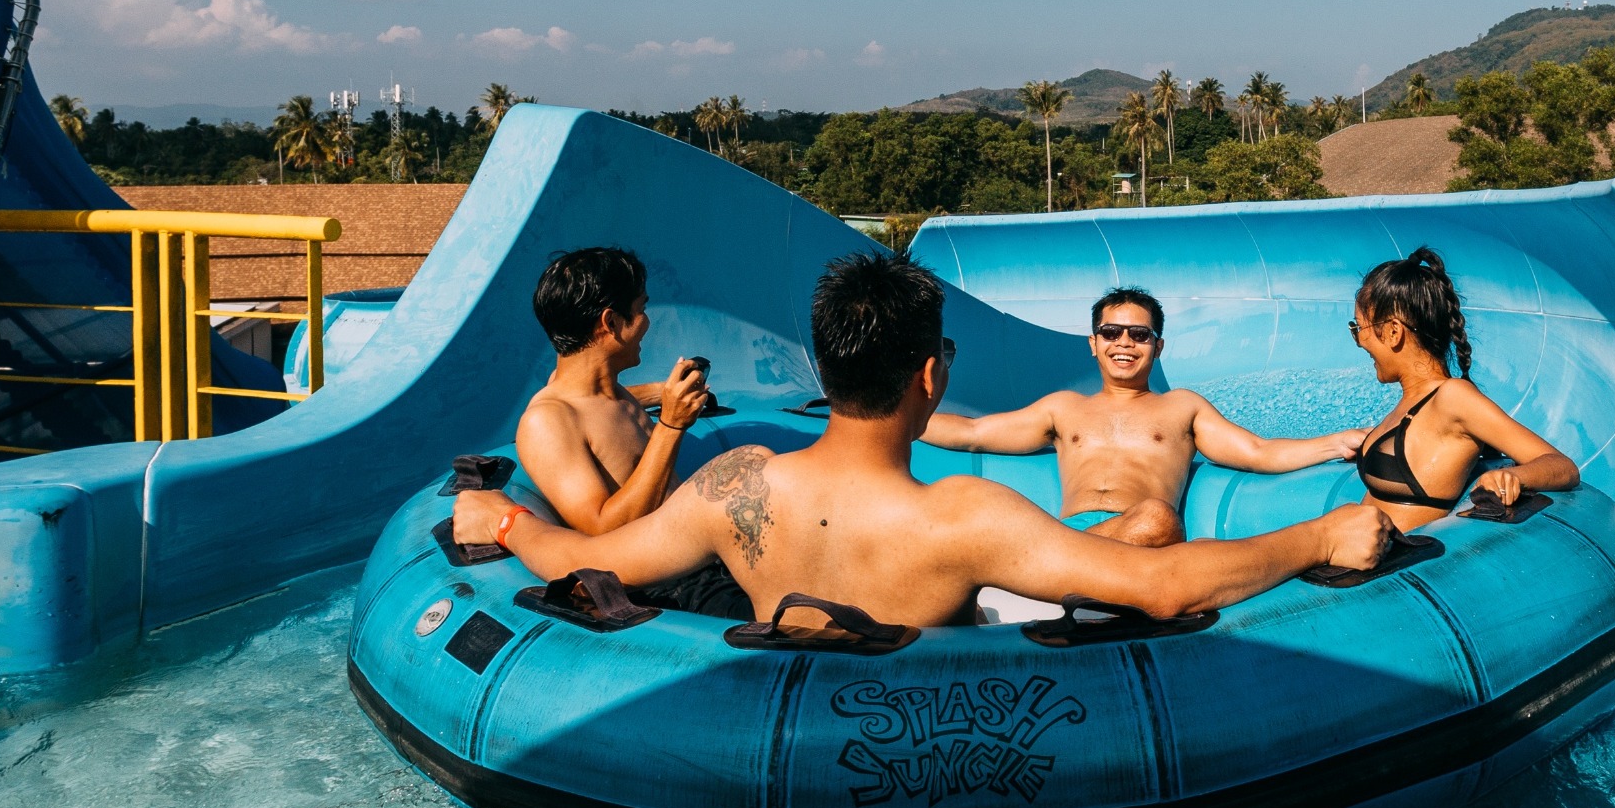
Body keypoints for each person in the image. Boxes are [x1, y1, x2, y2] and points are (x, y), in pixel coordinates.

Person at [455, 252, 1391, 627]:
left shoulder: (735, 484)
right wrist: (1320, 535)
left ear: (822, 374)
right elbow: (1163, 584)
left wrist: (500, 523)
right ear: (930, 376)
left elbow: (583, 552)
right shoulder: (965, 517)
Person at [921, 286, 1363, 545]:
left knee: (1156, 517)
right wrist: (875, 414)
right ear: (1093, 344)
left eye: (1140, 334)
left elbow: (1257, 451)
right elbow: (973, 433)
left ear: (1158, 346)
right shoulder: (1063, 408)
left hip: (1144, 540)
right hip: (1072, 536)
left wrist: (1336, 442)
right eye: (1111, 333)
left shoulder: (1182, 407)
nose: (1124, 343)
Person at [512, 244, 747, 618]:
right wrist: (670, 426)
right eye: (640, 310)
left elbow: (594, 402)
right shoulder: (548, 422)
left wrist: (659, 391)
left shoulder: (604, 389)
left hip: (707, 559)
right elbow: (602, 534)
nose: (646, 323)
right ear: (610, 322)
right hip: (673, 587)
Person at [1346, 246, 1580, 526]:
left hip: (1394, 560)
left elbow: (1562, 466)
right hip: (1362, 558)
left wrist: (1516, 476)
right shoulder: (1413, 400)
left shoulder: (1452, 397)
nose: (1360, 342)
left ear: (1394, 331)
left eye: (1359, 329)